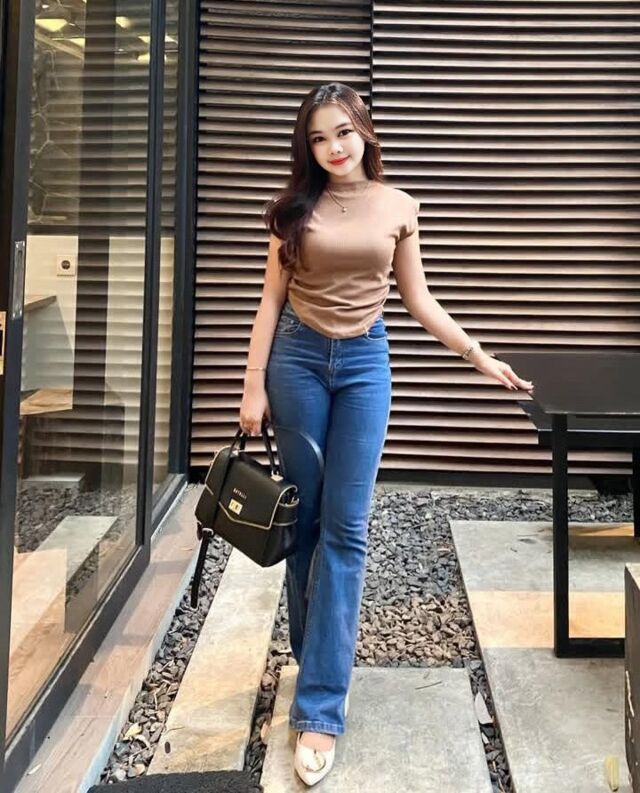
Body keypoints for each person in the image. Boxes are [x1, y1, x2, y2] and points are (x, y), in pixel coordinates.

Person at [239, 81, 534, 786]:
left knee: (347, 528)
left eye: (342, 131)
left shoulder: (399, 205)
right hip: (296, 362)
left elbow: (418, 298)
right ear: (307, 147)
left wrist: (478, 354)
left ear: (364, 131)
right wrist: (251, 386)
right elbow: (270, 300)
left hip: (366, 364)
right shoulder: (292, 209)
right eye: (318, 138)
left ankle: (319, 703)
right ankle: (318, 662)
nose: (333, 147)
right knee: (305, 523)